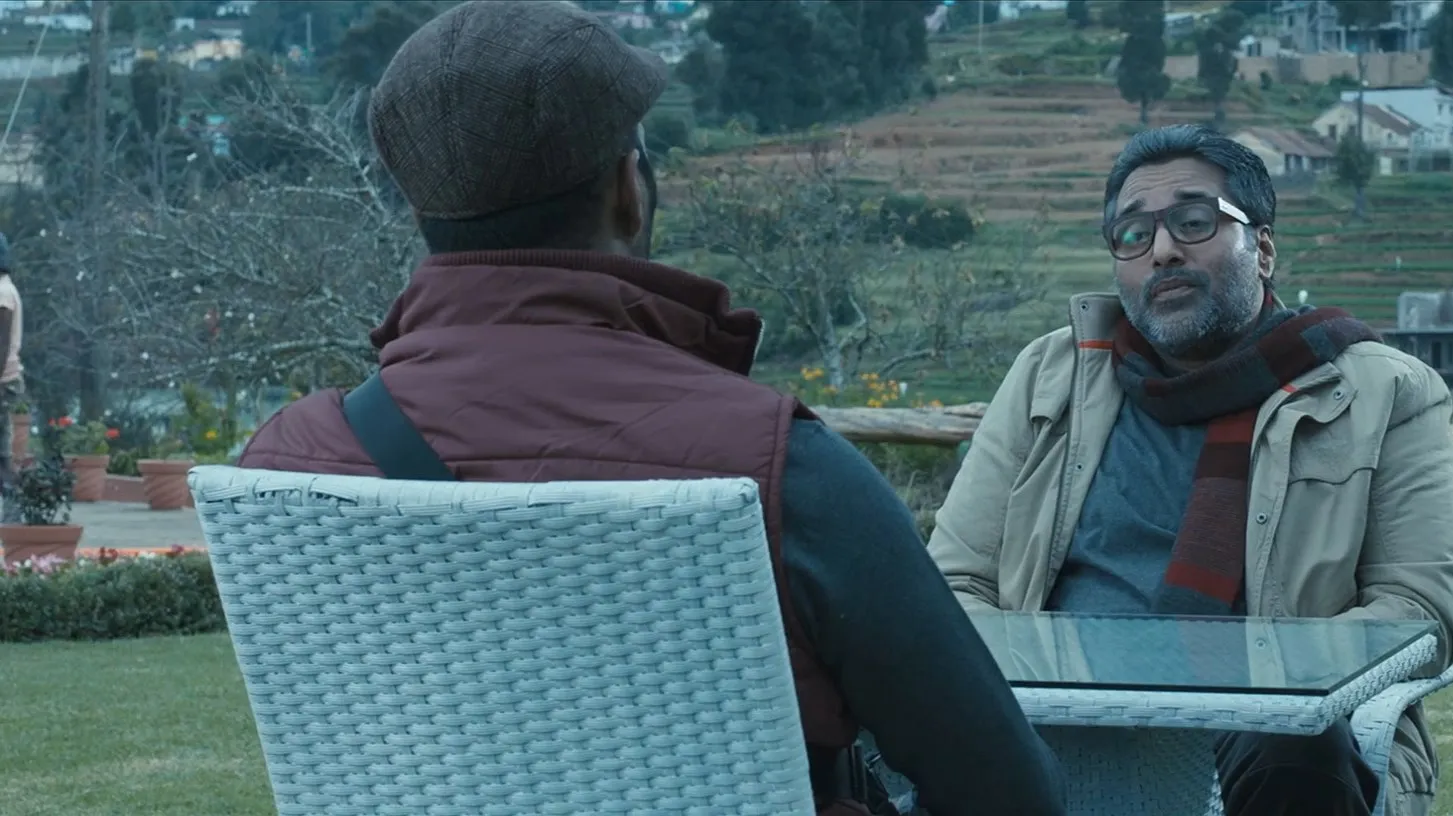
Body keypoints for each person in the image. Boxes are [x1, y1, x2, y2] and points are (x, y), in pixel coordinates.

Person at [235, 4, 1064, 815]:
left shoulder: (294, 460)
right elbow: (1006, 789)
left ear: (422, 210)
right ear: (629, 191)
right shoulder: (780, 468)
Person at [927, 124, 1453, 816]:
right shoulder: (1050, 373)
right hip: (1055, 721)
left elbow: (1418, 614)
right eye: (1133, 234)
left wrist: (1237, 689)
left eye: (1193, 222)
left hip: (1266, 730)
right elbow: (956, 584)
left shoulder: (1384, 391)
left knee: (1293, 750)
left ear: (1262, 249)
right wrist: (1047, 686)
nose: (1162, 250)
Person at [0, 231, 24, 507]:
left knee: (2, 456)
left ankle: (15, 506)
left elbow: (2, 343)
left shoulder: (3, 292)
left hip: (3, 381)